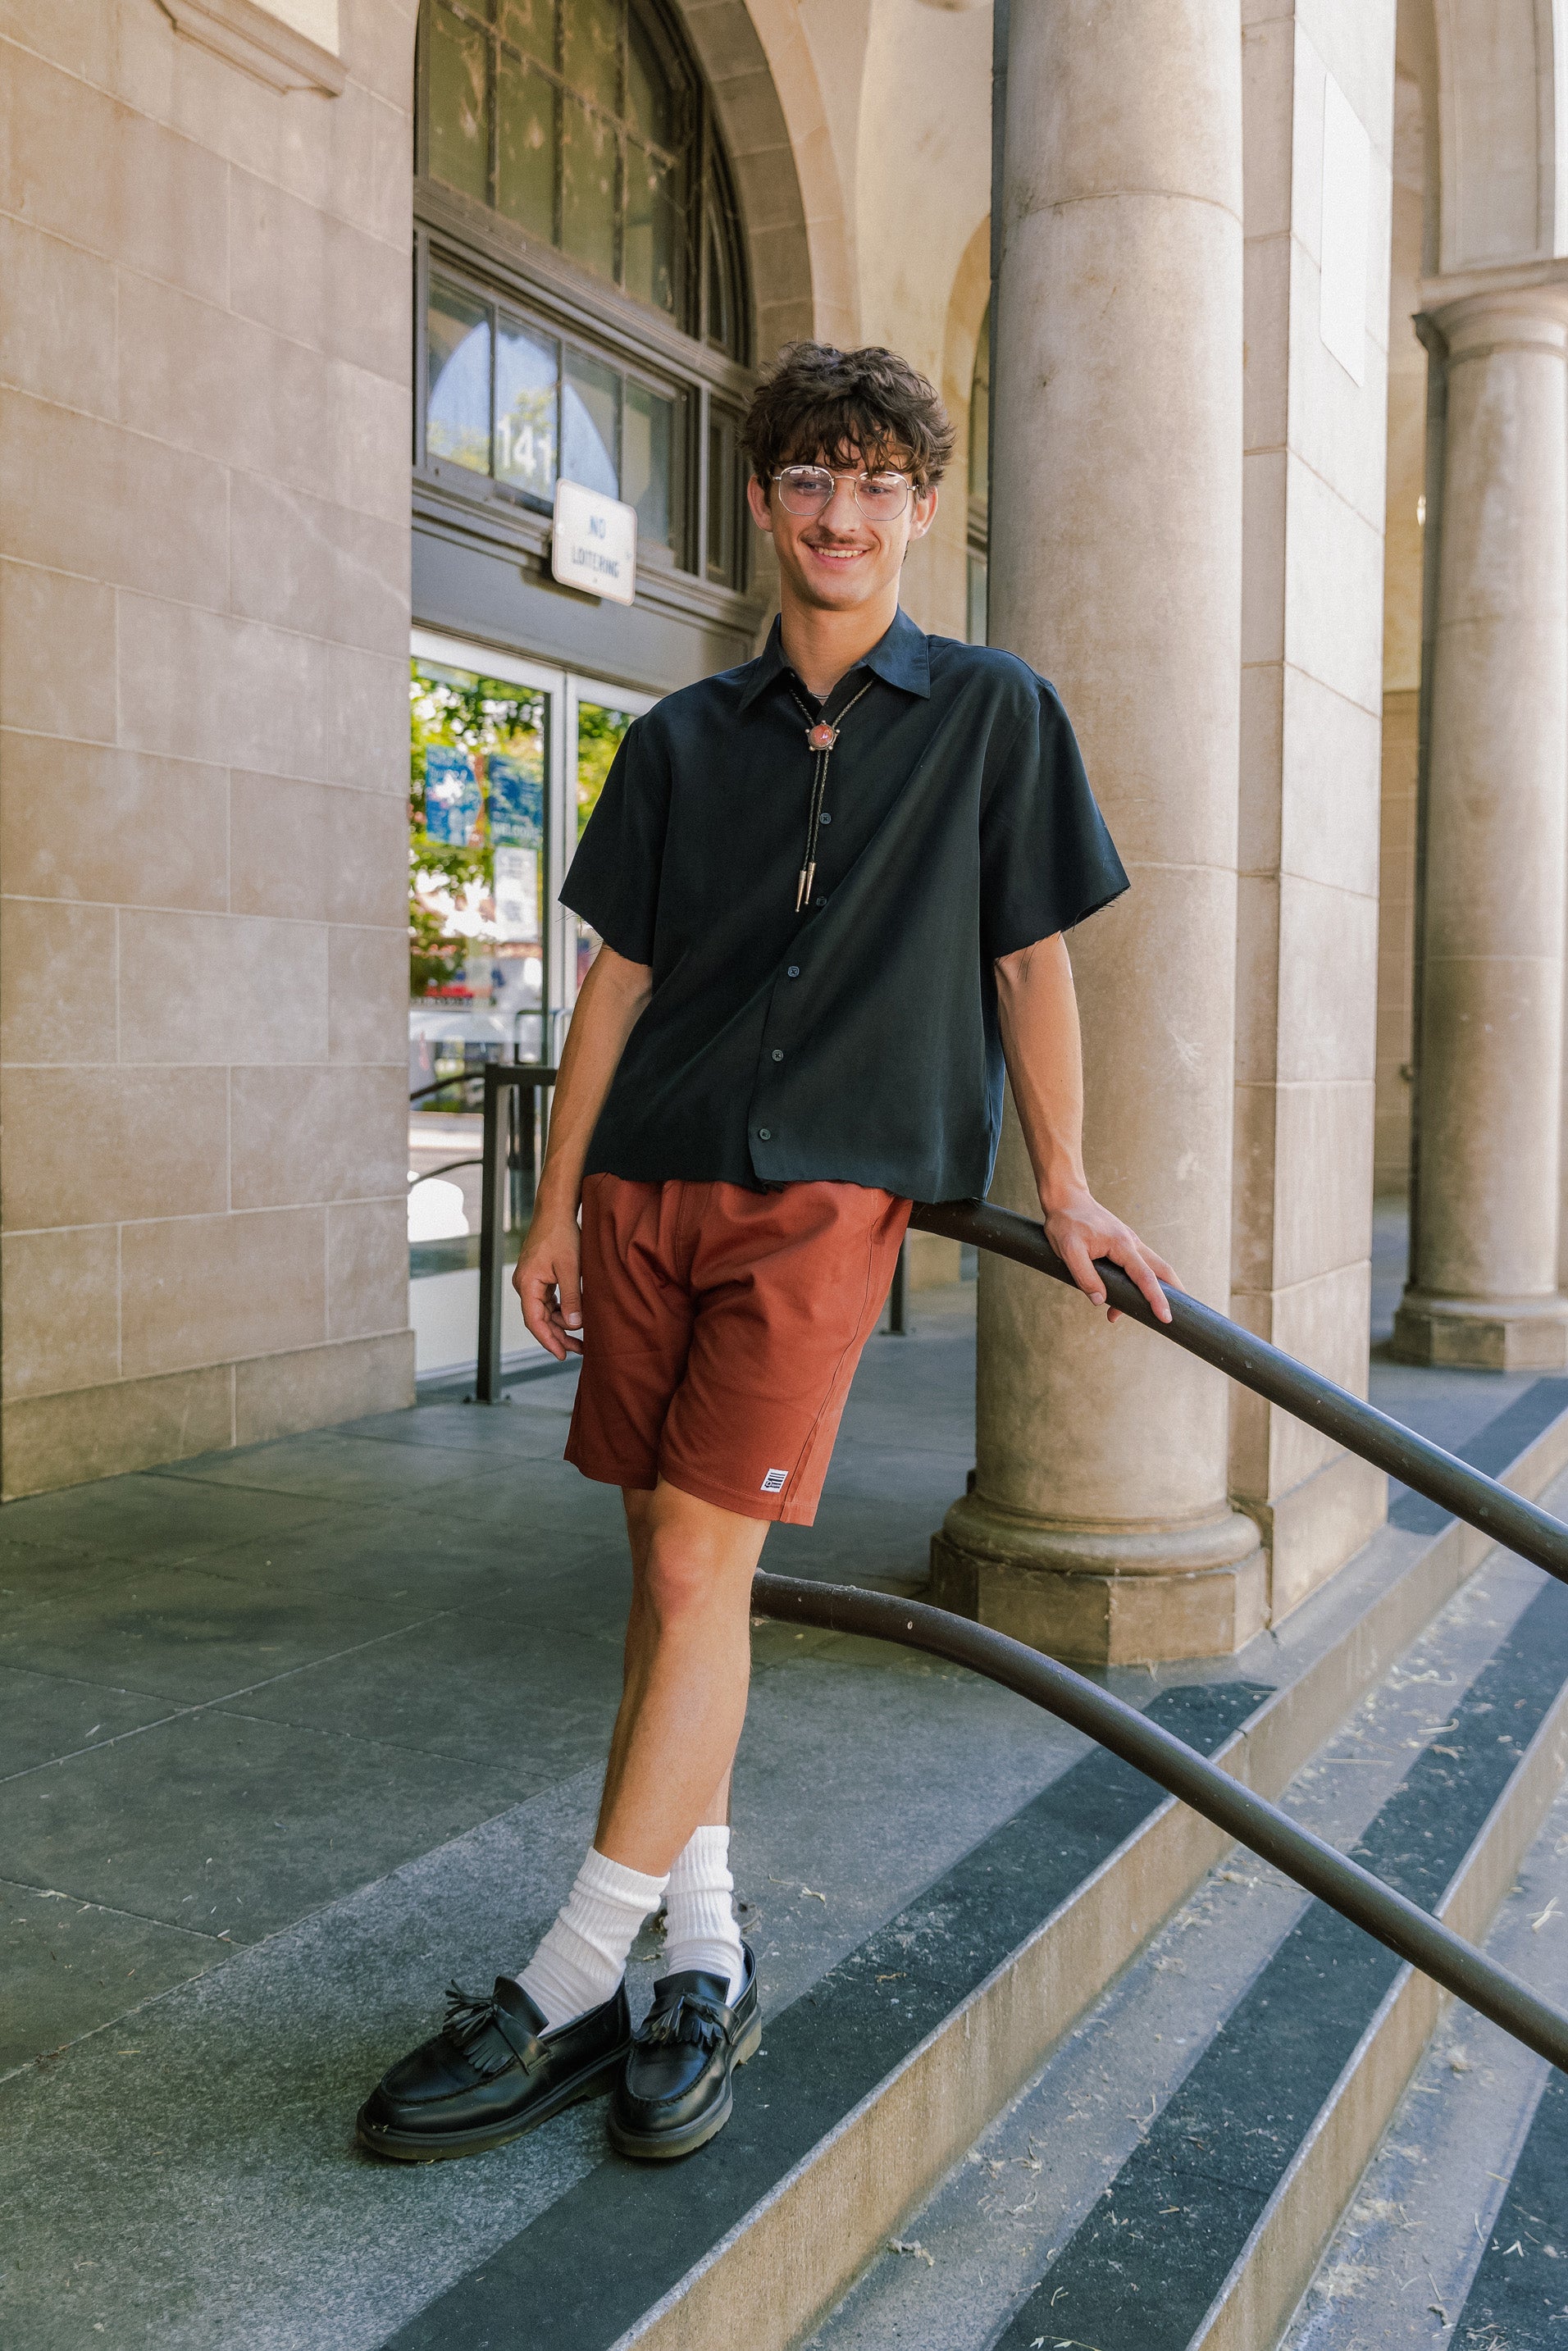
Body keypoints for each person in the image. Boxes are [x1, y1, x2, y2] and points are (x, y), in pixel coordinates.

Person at [356, 342, 1174, 2167]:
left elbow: (1030, 957)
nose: (842, 511)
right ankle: (705, 1947)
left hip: (822, 1204)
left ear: (922, 511)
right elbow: (616, 979)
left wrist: (1065, 1182)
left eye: (878, 481)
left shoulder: (991, 713)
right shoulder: (672, 743)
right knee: (670, 1568)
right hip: (650, 1178)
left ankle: (569, 1974)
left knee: (694, 1569)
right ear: (761, 499)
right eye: (811, 476)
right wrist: (552, 1203)